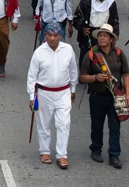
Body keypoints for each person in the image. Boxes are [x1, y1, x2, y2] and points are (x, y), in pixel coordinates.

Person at [27, 22, 79, 170]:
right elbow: (32, 77)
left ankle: (62, 155)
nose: (52, 38)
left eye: (55, 35)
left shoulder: (68, 50)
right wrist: (32, 96)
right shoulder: (39, 52)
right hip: (44, 93)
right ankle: (44, 151)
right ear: (45, 35)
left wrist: (73, 89)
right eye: (49, 35)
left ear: (60, 36)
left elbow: (73, 71)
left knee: (63, 124)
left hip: (63, 93)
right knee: (43, 123)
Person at [79, 24, 129, 168]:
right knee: (97, 125)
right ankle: (96, 149)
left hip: (115, 97)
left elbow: (126, 74)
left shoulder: (119, 54)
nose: (101, 38)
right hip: (97, 96)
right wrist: (95, 77)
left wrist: (128, 95)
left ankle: (114, 154)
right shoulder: (91, 54)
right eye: (100, 35)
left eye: (105, 36)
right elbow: (83, 77)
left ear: (111, 39)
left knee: (115, 126)